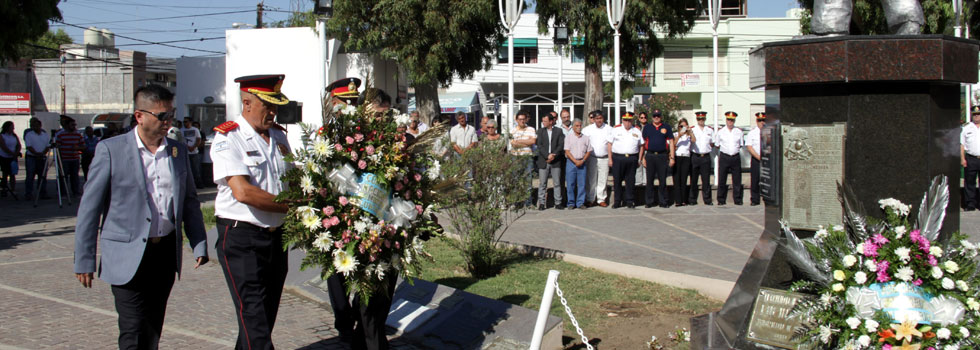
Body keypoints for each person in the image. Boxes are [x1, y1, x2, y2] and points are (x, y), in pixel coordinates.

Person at [73, 84, 208, 350]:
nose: (168, 122)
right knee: (133, 329)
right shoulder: (110, 150)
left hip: (164, 253)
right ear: (140, 116)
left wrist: (198, 242)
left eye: (171, 115)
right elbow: (90, 208)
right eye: (162, 116)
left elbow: (190, 201)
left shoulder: (176, 151)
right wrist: (84, 259)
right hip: (126, 253)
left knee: (152, 327)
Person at [211, 74, 294, 349]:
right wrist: (294, 206)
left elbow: (293, 180)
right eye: (267, 106)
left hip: (275, 237)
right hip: (242, 238)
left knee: (262, 318)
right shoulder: (228, 137)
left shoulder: (280, 136)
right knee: (254, 319)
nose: (272, 113)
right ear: (247, 102)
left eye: (276, 107)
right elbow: (243, 192)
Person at [608, 112, 643, 208]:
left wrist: (639, 159)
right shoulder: (616, 130)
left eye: (629, 120)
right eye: (625, 120)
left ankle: (630, 201)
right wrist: (610, 159)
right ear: (622, 120)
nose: (627, 122)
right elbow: (609, 144)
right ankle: (617, 201)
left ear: (632, 121)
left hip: (632, 158)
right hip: (618, 157)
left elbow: (641, 146)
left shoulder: (636, 131)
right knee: (617, 180)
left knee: (630, 181)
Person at [640, 110, 674, 208]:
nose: (656, 117)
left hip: (662, 156)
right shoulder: (647, 127)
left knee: (662, 180)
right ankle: (649, 201)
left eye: (658, 116)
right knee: (649, 180)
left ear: (661, 117)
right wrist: (642, 158)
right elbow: (642, 143)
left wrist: (672, 157)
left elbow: (671, 142)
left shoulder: (666, 127)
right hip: (650, 156)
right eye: (654, 116)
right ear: (652, 117)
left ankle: (663, 201)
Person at [714, 111, 744, 205]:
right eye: (729, 120)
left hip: (735, 156)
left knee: (737, 179)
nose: (730, 122)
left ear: (734, 121)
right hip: (724, 156)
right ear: (726, 120)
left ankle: (737, 199)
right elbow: (717, 145)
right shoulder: (721, 132)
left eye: (732, 120)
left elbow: (741, 144)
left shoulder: (739, 132)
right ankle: (721, 199)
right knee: (722, 178)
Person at [583, 110, 612, 207]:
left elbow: (610, 144)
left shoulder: (609, 129)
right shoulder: (587, 129)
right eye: (597, 118)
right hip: (592, 158)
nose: (599, 120)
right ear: (593, 119)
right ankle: (590, 198)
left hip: (604, 157)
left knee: (603, 179)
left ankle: (601, 199)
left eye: (600, 118)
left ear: (603, 118)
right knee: (591, 179)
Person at [536, 113, 565, 210]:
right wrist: (547, 155)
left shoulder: (559, 131)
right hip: (543, 160)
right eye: (543, 121)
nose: (543, 123)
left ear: (551, 121)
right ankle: (541, 203)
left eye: (545, 121)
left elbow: (560, 145)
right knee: (542, 183)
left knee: (557, 183)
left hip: (555, 160)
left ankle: (558, 202)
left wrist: (553, 155)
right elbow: (539, 145)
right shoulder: (540, 131)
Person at [509, 111, 537, 207]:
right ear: (516, 120)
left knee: (528, 181)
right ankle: (516, 203)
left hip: (527, 156)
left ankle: (528, 202)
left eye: (523, 119)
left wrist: (519, 141)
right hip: (515, 157)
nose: (522, 121)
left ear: (526, 119)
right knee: (515, 180)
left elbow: (533, 141)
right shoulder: (512, 131)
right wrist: (526, 141)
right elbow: (513, 143)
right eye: (520, 119)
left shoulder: (531, 129)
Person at [564, 118, 591, 209]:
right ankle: (571, 203)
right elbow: (567, 151)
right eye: (577, 126)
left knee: (582, 184)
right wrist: (575, 161)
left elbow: (588, 151)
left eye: (580, 125)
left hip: (582, 162)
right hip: (571, 163)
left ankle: (580, 203)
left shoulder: (586, 138)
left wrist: (582, 161)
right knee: (570, 183)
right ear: (573, 127)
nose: (579, 127)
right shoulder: (568, 137)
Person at [54, 116, 84, 196]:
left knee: (75, 177)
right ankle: (63, 193)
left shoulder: (78, 135)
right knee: (63, 177)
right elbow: (57, 147)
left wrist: (78, 148)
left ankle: (75, 192)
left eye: (74, 125)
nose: (74, 127)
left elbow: (83, 146)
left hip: (75, 159)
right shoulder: (61, 135)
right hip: (64, 159)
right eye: (72, 125)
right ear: (67, 125)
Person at [689, 111, 714, 205]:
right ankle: (692, 199)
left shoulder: (710, 130)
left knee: (706, 180)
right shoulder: (692, 129)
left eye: (702, 119)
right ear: (696, 119)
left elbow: (712, 143)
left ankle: (707, 200)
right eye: (699, 119)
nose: (701, 120)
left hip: (706, 157)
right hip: (695, 156)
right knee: (693, 179)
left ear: (705, 119)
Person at [23, 118, 51, 200]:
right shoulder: (29, 134)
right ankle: (28, 193)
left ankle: (42, 193)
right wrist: (36, 153)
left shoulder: (45, 134)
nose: (35, 127)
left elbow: (48, 146)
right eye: (33, 126)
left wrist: (42, 153)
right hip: (32, 157)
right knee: (30, 176)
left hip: (42, 157)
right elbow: (29, 146)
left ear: (40, 126)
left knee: (42, 176)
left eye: (37, 126)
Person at [962, 105, 980, 211]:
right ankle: (970, 204)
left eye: (978, 114)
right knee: (970, 182)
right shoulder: (966, 128)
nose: (976, 116)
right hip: (971, 158)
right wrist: (962, 159)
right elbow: (962, 144)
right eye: (975, 115)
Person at [673, 118, 694, 207]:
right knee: (677, 179)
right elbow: (673, 144)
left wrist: (690, 132)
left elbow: (694, 141)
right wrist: (679, 136)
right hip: (677, 157)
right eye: (681, 126)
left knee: (684, 179)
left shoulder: (689, 136)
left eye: (685, 126)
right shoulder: (675, 134)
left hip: (686, 157)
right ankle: (678, 200)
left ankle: (683, 200)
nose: (683, 128)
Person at [747, 112, 766, 206]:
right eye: (759, 120)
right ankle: (755, 199)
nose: (762, 122)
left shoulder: (769, 132)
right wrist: (759, 157)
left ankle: (768, 199)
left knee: (767, 180)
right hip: (756, 159)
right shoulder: (752, 133)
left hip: (767, 160)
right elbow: (749, 147)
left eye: (763, 120)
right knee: (755, 180)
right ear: (756, 121)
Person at [181, 117, 204, 189]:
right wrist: (187, 147)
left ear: (190, 122)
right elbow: (181, 140)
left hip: (194, 153)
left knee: (196, 169)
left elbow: (198, 139)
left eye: (186, 122)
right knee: (187, 169)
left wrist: (194, 147)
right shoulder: (181, 130)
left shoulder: (195, 130)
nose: (185, 123)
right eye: (184, 122)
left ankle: (198, 184)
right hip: (185, 152)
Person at [0, 121, 21, 197]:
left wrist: (16, 152)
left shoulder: (14, 136)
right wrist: (11, 153)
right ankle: (4, 189)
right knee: (5, 173)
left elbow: (18, 145)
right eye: (11, 127)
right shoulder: (2, 136)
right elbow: (3, 146)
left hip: (13, 157)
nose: (13, 128)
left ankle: (13, 189)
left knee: (13, 174)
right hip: (4, 157)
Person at [634, 112, 649, 188]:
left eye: (645, 117)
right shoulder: (636, 128)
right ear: (639, 118)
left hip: (647, 149)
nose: (643, 119)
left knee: (646, 167)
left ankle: (645, 183)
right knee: (638, 166)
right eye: (641, 117)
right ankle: (638, 183)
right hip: (638, 149)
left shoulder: (649, 127)